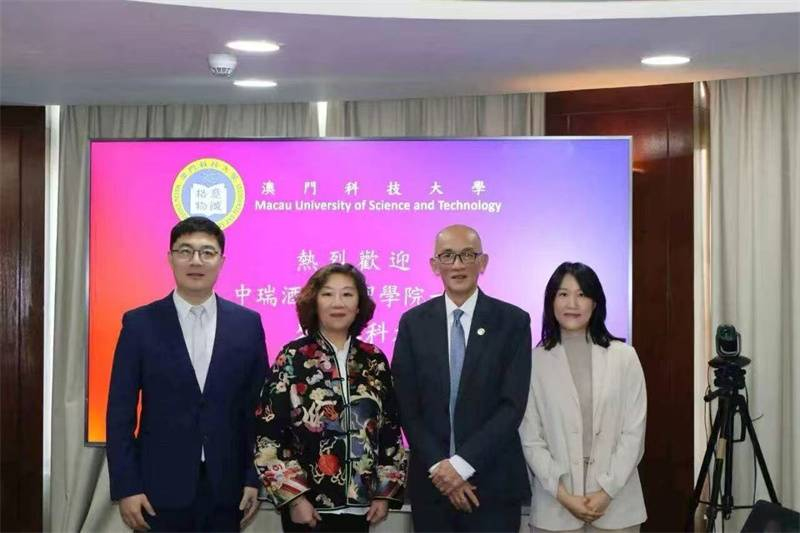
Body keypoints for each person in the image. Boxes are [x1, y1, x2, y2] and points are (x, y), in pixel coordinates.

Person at [106, 216, 268, 532]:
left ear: (221, 261)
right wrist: (127, 486)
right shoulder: (139, 324)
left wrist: (253, 477)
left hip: (228, 488)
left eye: (207, 252)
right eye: (185, 251)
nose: (196, 261)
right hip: (157, 488)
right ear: (170, 258)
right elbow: (120, 412)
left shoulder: (247, 324)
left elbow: (258, 410)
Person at [392, 224, 532, 532]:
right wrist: (441, 468)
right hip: (432, 484)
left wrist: (461, 466)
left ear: (483, 262)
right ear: (434, 265)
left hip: (492, 484)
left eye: (467, 255)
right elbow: (406, 406)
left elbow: (512, 406)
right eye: (448, 256)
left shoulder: (512, 322)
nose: (457, 264)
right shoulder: (414, 323)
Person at [254, 263, 406, 532]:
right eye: (327, 294)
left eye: (347, 294)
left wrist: (384, 493)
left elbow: (390, 432)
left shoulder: (374, 359)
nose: (338, 303)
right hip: (307, 509)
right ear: (315, 303)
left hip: (362, 508)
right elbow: (268, 435)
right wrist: (294, 498)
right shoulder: (292, 357)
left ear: (358, 305)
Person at [519, 262, 647, 532]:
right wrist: (565, 497)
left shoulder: (624, 357)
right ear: (551, 302)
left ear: (595, 302)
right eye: (563, 294)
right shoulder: (534, 362)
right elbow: (531, 438)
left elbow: (634, 433)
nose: (572, 304)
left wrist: (606, 492)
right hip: (555, 507)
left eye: (582, 294)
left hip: (617, 506)